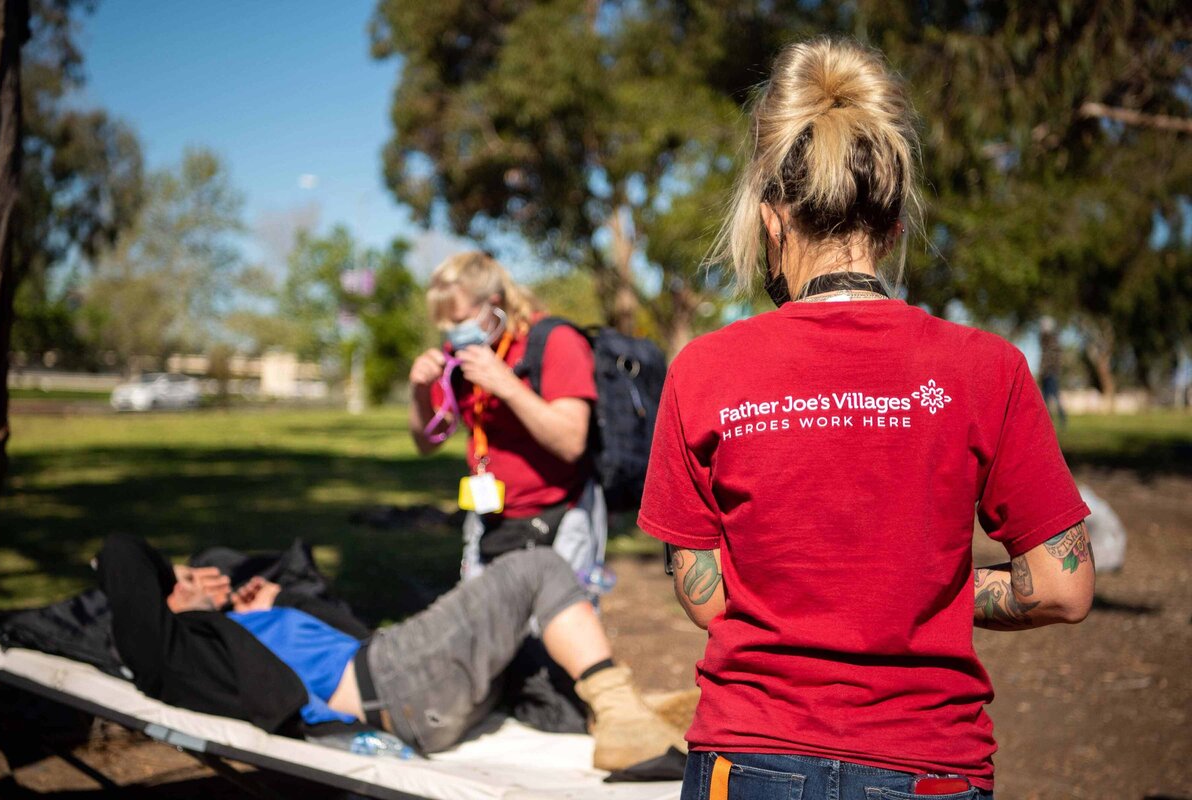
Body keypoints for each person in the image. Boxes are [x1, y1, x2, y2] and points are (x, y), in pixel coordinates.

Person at [637, 37, 1094, 800]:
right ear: (892, 225)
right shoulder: (988, 368)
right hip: (928, 767)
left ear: (773, 217)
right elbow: (1060, 586)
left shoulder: (705, 370)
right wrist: (933, 589)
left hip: (745, 760)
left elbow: (704, 592)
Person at [94, 533, 684, 770]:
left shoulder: (239, 631)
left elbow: (352, 631)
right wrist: (196, 607)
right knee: (535, 565)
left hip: (404, 689)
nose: (200, 581)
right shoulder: (175, 652)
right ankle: (620, 709)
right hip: (393, 682)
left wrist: (284, 599)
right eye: (181, 582)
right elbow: (118, 553)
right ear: (151, 604)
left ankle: (624, 707)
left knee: (528, 645)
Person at [407, 251, 606, 582]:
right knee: (484, 625)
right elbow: (425, 443)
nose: (450, 333)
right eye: (443, 325)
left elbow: (571, 442)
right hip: (489, 515)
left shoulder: (555, 341)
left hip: (561, 514)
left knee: (553, 629)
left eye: (458, 320)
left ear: (494, 304)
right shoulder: (460, 356)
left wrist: (507, 386)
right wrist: (419, 390)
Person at [1038, 315, 1067, 426]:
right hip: (1046, 373)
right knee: (1046, 397)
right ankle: (1048, 421)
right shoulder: (1044, 341)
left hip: (1051, 373)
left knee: (1054, 396)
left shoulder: (1052, 342)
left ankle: (1062, 418)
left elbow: (1050, 359)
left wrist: (1045, 370)